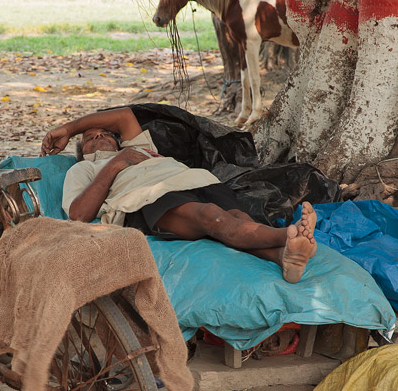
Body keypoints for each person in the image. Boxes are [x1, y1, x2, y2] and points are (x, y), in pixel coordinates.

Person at [40, 107, 318, 283]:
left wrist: (68, 128)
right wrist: (115, 163)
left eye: (104, 133)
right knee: (211, 217)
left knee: (237, 217)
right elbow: (78, 214)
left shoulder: (139, 146)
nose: (98, 137)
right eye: (89, 138)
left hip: (195, 180)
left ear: (117, 139)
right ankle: (289, 236)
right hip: (148, 197)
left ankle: (282, 257)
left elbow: (123, 116)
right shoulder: (86, 169)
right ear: (83, 152)